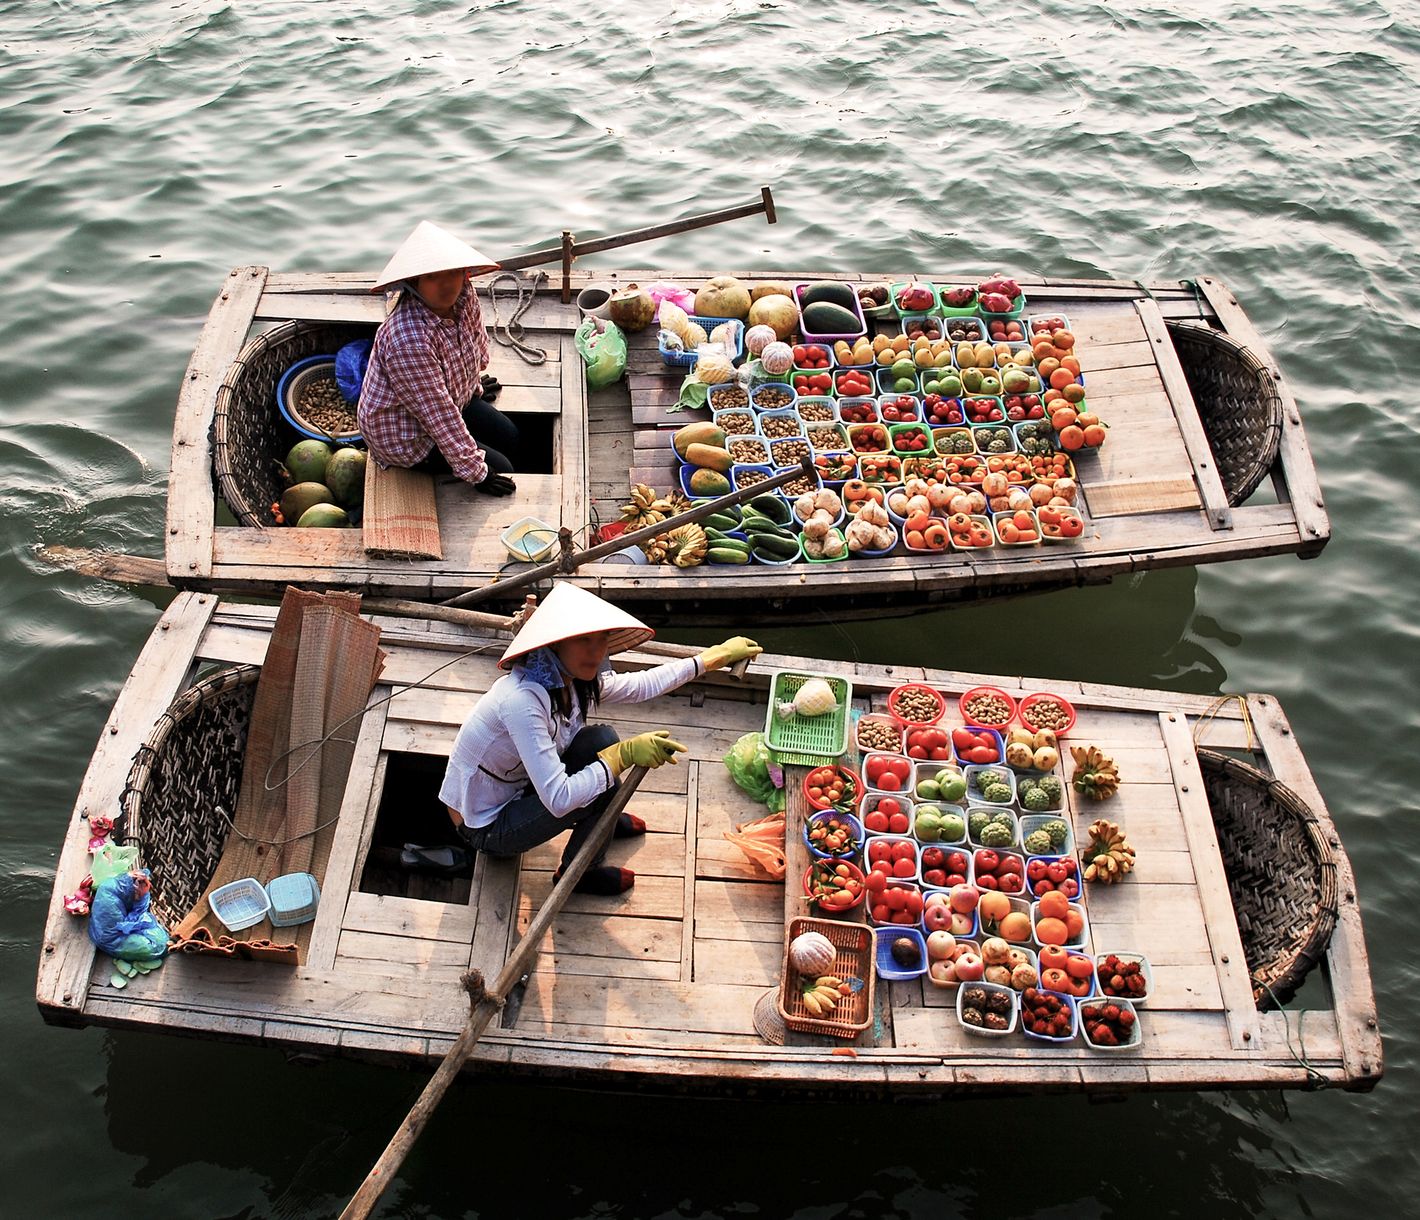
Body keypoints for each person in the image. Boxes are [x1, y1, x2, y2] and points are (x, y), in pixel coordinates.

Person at [439, 583, 763, 895]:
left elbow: (640, 685)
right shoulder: (521, 701)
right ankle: (580, 872)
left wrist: (708, 660)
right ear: (555, 643)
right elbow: (559, 798)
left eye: (601, 640)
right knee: (602, 775)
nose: (595, 652)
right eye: (583, 641)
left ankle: (601, 819)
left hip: (520, 787)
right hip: (487, 825)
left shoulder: (573, 679)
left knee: (603, 741)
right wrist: (621, 756)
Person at [357, 220, 519, 496]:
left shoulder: (464, 296)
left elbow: (474, 344)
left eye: (452, 273)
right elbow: (438, 416)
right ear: (413, 283)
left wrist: (472, 386)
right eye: (433, 277)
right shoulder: (407, 339)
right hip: (405, 436)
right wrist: (477, 473)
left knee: (511, 437)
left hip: (452, 399)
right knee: (503, 467)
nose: (447, 285)